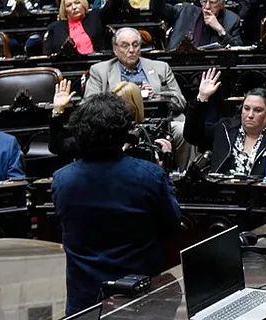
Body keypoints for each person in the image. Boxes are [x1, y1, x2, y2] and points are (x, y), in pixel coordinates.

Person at [53, 93, 181, 315]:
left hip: (85, 301)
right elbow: (172, 224)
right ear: (124, 134)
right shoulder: (150, 176)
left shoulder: (62, 179)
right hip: (140, 300)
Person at [185, 68, 266, 178]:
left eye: (258, 110)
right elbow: (192, 136)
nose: (250, 115)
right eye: (246, 108)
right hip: (224, 192)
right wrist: (201, 98)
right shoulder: (225, 128)